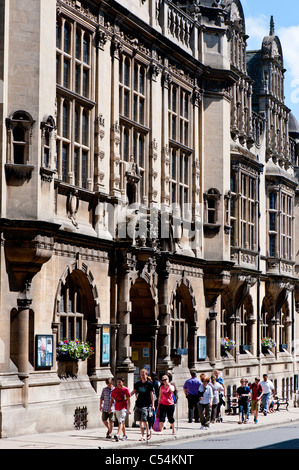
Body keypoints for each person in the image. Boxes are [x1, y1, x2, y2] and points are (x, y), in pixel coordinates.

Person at [131, 368, 155, 441]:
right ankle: (143, 435)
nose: (142, 376)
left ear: (146, 375)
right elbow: (133, 392)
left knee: (144, 421)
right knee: (140, 422)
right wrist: (126, 396)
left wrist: (153, 405)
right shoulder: (138, 384)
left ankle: (148, 431)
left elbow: (152, 395)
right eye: (141, 375)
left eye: (143, 375)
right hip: (138, 404)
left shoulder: (149, 384)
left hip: (146, 405)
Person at [108, 376, 131, 441]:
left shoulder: (126, 390)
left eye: (119, 382)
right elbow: (112, 399)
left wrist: (129, 408)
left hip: (123, 408)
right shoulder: (115, 390)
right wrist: (110, 408)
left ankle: (118, 434)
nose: (118, 383)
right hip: (117, 407)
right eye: (117, 382)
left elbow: (129, 399)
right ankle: (124, 435)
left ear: (123, 382)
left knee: (120, 421)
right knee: (121, 422)